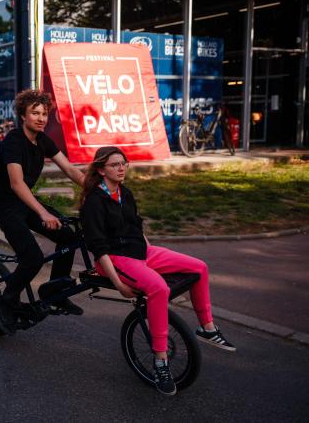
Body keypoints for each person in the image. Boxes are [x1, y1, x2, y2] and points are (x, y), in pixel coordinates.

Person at [79, 146, 236, 396]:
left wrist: (149, 251)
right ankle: (161, 361)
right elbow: (98, 249)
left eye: (124, 163)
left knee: (199, 267)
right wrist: (119, 284)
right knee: (159, 288)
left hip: (140, 252)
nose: (121, 168)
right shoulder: (93, 202)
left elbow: (136, 227)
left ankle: (207, 328)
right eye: (114, 165)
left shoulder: (125, 193)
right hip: (115, 258)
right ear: (100, 170)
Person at [0, 89, 85, 335]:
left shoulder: (43, 140)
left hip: (24, 202)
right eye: (35, 113)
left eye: (44, 113)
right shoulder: (13, 141)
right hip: (4, 205)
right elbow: (16, 183)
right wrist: (43, 213)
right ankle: (6, 299)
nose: (41, 118)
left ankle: (55, 293)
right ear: (23, 115)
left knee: (69, 237)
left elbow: (71, 171)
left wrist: (100, 190)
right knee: (32, 257)